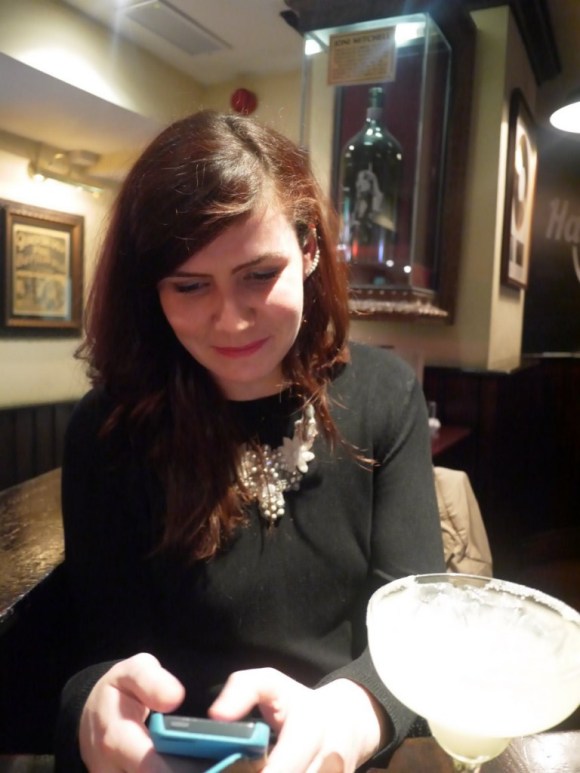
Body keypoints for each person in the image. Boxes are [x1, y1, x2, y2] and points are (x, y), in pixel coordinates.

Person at [55, 109, 445, 772]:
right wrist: (93, 706)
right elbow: (92, 646)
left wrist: (348, 720)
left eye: (259, 274)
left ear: (310, 250)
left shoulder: (385, 395)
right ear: (152, 290)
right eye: (189, 285)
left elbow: (418, 627)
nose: (231, 320)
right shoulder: (110, 426)